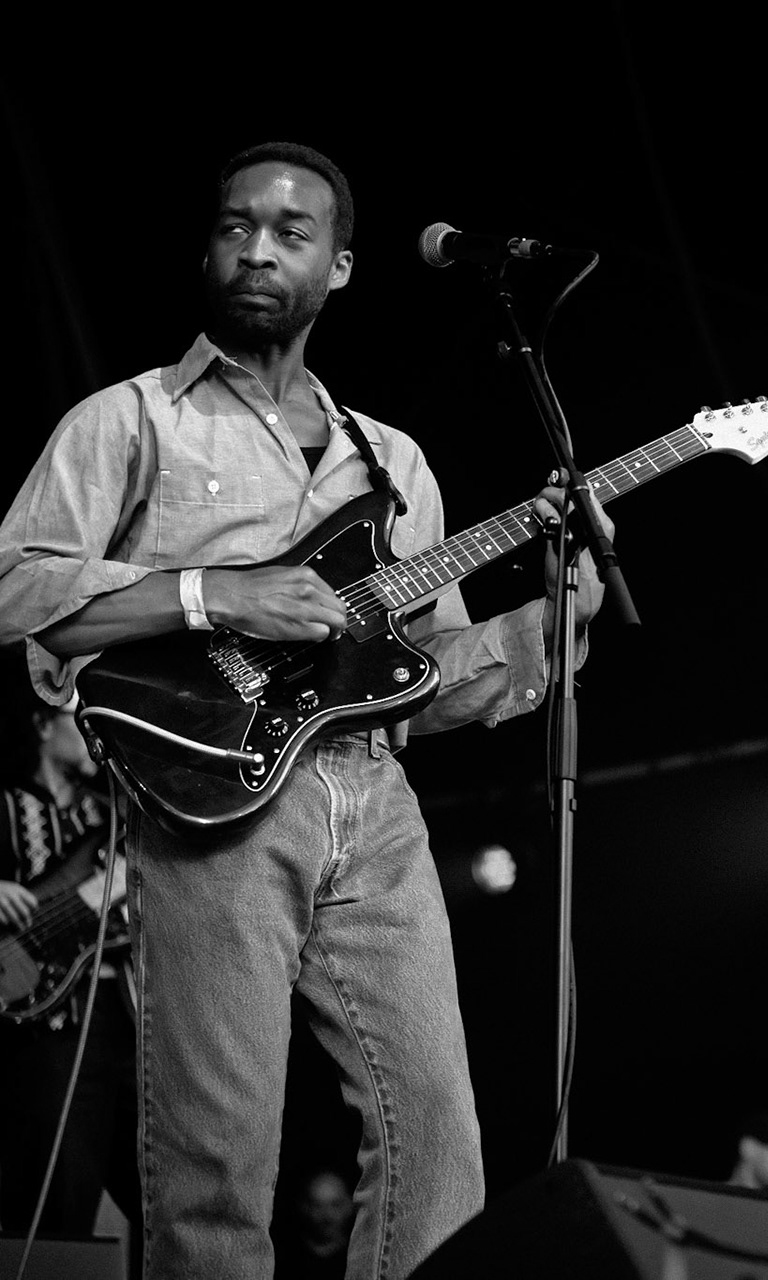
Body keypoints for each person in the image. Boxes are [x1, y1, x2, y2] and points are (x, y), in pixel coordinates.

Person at [0, 141, 611, 1279]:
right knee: (218, 1162)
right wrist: (211, 591)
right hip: (209, 803)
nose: (259, 250)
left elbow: (426, 677)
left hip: (375, 801)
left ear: (337, 268)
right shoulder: (130, 421)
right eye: (238, 227)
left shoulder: (396, 463)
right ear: (207, 248)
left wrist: (553, 615)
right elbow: (17, 588)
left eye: (291, 233)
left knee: (438, 1129)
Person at [0, 669, 141, 1275]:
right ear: (41, 726)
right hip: (47, 1033)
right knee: (59, 1201)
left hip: (128, 1022)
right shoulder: (4, 807)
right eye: (76, 723)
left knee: (167, 1191)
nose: (90, 736)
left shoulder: (112, 818)